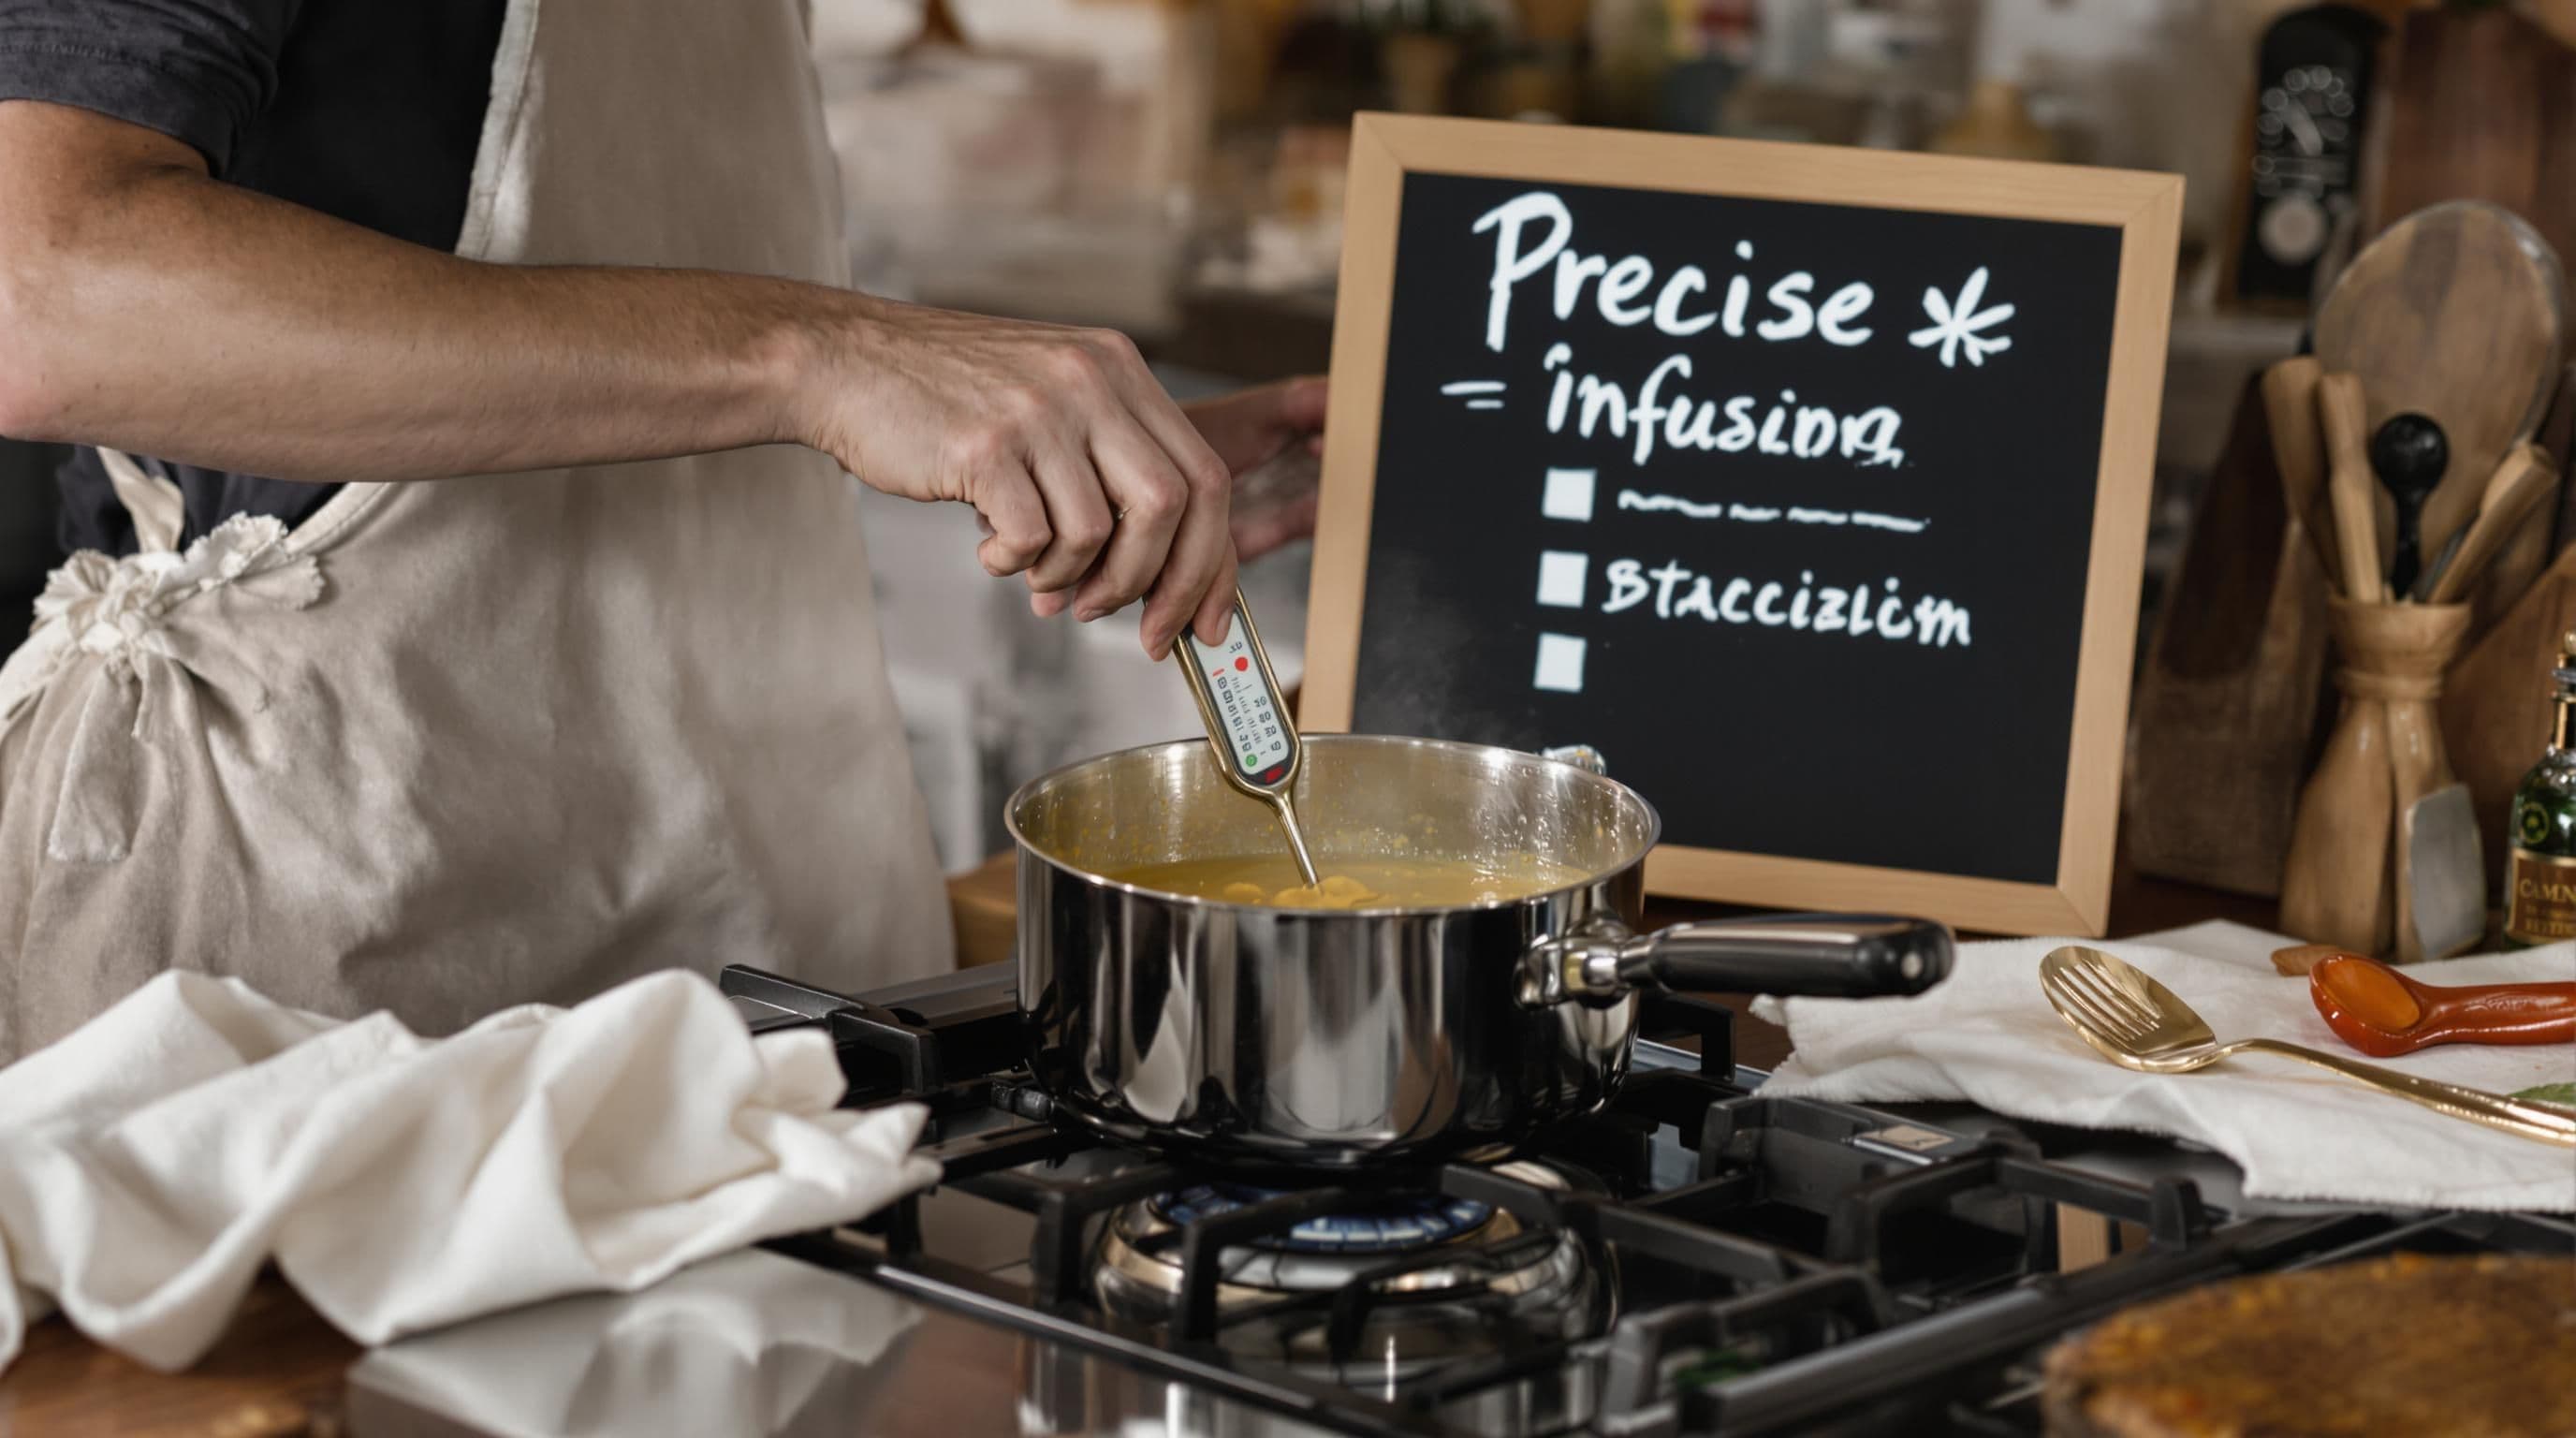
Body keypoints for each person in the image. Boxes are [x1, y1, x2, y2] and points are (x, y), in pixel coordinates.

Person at [0, 0, 1328, 1063]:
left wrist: (1051, 452)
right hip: (348, 943)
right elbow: (44, 290)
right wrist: (827, 354)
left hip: (772, 921)